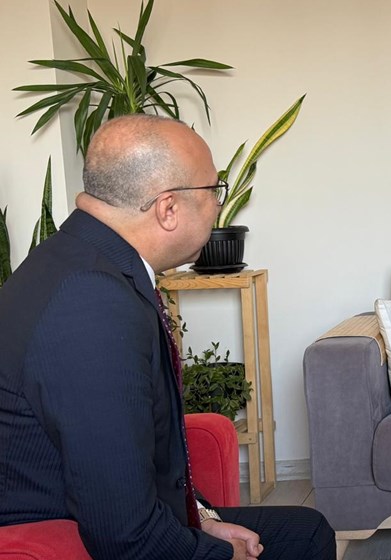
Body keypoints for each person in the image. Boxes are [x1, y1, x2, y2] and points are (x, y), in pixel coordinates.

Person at [0, 115, 335, 560]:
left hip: (112, 513)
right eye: (214, 191)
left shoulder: (81, 260)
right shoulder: (91, 301)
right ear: (168, 208)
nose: (218, 206)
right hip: (69, 537)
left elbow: (133, 456)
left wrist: (205, 519)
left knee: (305, 530)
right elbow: (124, 532)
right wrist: (221, 554)